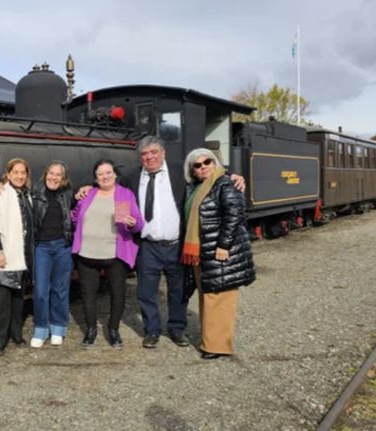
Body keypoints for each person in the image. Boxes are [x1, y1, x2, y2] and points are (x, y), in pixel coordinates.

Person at [78, 136, 244, 349]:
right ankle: (152, 331)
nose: (150, 157)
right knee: (146, 292)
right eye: (145, 154)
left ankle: (176, 329)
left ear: (163, 153)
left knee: (178, 291)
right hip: (148, 246)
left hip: (176, 244)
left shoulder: (179, 172)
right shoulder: (132, 176)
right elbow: (108, 185)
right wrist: (87, 188)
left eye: (154, 152)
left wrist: (232, 176)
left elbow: (209, 176)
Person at [181, 149, 255, 359]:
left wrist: (223, 246)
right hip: (201, 251)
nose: (203, 166)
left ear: (215, 163)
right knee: (209, 296)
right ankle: (210, 341)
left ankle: (217, 346)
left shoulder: (226, 183)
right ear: (192, 171)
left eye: (207, 161)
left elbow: (234, 216)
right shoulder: (196, 188)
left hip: (220, 251)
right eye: (197, 164)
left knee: (221, 299)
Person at [71, 159, 143, 348]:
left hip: (115, 254)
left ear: (115, 175)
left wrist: (132, 224)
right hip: (87, 254)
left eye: (108, 172)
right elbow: (75, 217)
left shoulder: (124, 195)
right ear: (96, 178)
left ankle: (113, 329)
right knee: (88, 294)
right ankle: (91, 330)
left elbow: (137, 222)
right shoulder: (89, 194)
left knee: (118, 294)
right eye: (101, 174)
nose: (105, 176)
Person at [0, 158, 34, 357]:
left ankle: (16, 334)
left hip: (21, 256)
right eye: (16, 172)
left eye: (23, 173)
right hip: (5, 254)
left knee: (18, 299)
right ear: (9, 174)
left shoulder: (26, 195)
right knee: (2, 301)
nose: (20, 176)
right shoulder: (1, 193)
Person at [29, 161, 75, 348]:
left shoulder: (68, 194)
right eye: (51, 173)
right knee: (40, 290)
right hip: (42, 247)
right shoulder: (35, 193)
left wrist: (91, 186)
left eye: (58, 175)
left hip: (62, 247)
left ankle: (58, 327)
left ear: (63, 179)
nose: (53, 177)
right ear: (45, 174)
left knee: (60, 289)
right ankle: (41, 328)